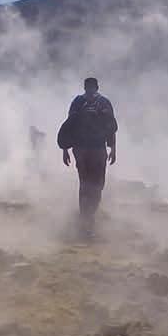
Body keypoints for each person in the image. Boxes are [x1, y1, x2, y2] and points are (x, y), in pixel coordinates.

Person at [59, 77, 117, 234]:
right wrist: (65, 149)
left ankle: (89, 215)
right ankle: (86, 218)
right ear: (86, 88)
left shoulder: (103, 103)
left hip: (97, 149)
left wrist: (113, 148)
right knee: (86, 183)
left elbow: (111, 127)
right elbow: (68, 126)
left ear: (96, 87)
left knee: (97, 184)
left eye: (92, 88)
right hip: (82, 149)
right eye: (89, 88)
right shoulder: (78, 102)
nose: (91, 90)